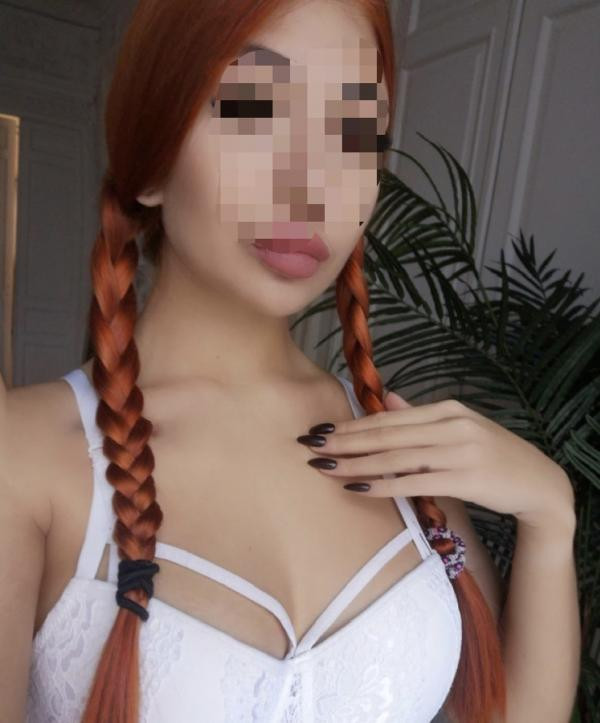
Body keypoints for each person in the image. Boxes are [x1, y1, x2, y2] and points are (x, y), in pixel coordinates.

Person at [3, 0, 580, 721]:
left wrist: (550, 514)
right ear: (150, 164)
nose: (312, 184)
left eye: (355, 132)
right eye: (254, 107)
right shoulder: (25, 456)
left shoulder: (396, 446)